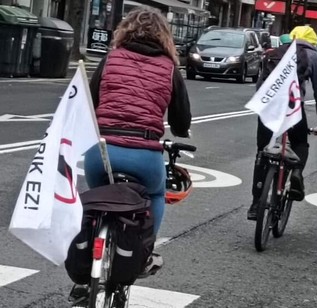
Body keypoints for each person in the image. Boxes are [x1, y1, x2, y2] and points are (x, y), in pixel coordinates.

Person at [76, 5, 191, 296]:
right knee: (155, 194)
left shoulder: (111, 58)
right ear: (164, 36)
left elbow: (89, 101)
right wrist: (179, 131)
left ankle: (84, 258)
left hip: (101, 152)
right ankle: (144, 254)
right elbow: (181, 119)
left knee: (97, 198)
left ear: (124, 30)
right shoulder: (169, 68)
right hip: (144, 154)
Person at [247, 26, 317, 220]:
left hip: (270, 108)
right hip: (293, 109)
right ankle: (296, 175)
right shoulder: (312, 56)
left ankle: (256, 203)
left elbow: (261, 86)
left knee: (262, 153)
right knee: (300, 143)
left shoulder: (274, 54)